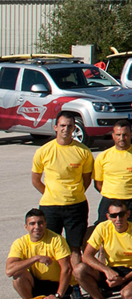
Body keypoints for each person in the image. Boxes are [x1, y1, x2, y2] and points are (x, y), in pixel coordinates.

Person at [31, 113, 94, 285]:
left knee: (75, 248)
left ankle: (76, 285)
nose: (66, 129)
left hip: (76, 206)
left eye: (70, 126)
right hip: (50, 207)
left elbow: (87, 179)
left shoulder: (83, 151)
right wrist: (50, 194)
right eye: (63, 126)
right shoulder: (44, 151)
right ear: (55, 127)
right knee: (53, 247)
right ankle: (57, 284)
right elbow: (36, 180)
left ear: (75, 128)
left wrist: (74, 193)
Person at [77, 199, 132, 299]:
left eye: (121, 214)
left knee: (128, 296)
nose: (118, 219)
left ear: (128, 214)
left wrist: (123, 279)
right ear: (108, 216)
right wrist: (106, 270)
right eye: (113, 215)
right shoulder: (102, 228)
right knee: (79, 270)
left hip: (131, 272)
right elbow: (87, 256)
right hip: (110, 271)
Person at [6, 208, 72, 299]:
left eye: (40, 223)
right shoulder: (20, 243)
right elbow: (9, 271)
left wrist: (58, 295)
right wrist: (35, 258)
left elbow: (67, 269)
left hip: (57, 286)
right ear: (26, 226)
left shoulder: (56, 240)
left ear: (45, 224)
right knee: (18, 276)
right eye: (32, 223)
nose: (37, 227)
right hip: (37, 284)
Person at [92, 120, 132, 227]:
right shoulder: (103, 156)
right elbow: (98, 183)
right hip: (109, 203)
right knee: (107, 237)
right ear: (113, 135)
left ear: (131, 135)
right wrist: (113, 193)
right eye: (118, 135)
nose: (121, 138)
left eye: (125, 134)